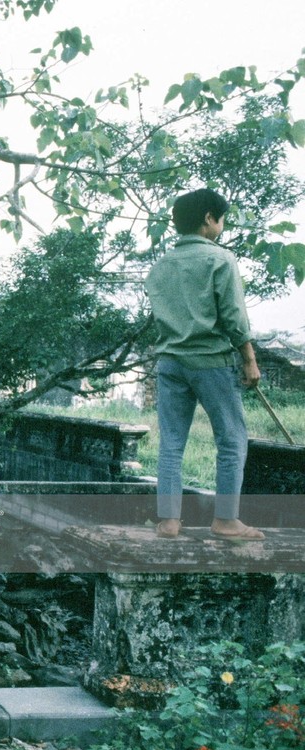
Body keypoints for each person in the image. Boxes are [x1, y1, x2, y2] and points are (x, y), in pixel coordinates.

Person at [145, 187, 263, 542]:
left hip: (170, 362)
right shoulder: (220, 259)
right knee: (231, 439)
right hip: (210, 362)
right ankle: (226, 520)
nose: (222, 225)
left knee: (171, 443)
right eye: (221, 218)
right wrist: (249, 359)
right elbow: (233, 317)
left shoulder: (160, 265)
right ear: (209, 218)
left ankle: (168, 521)